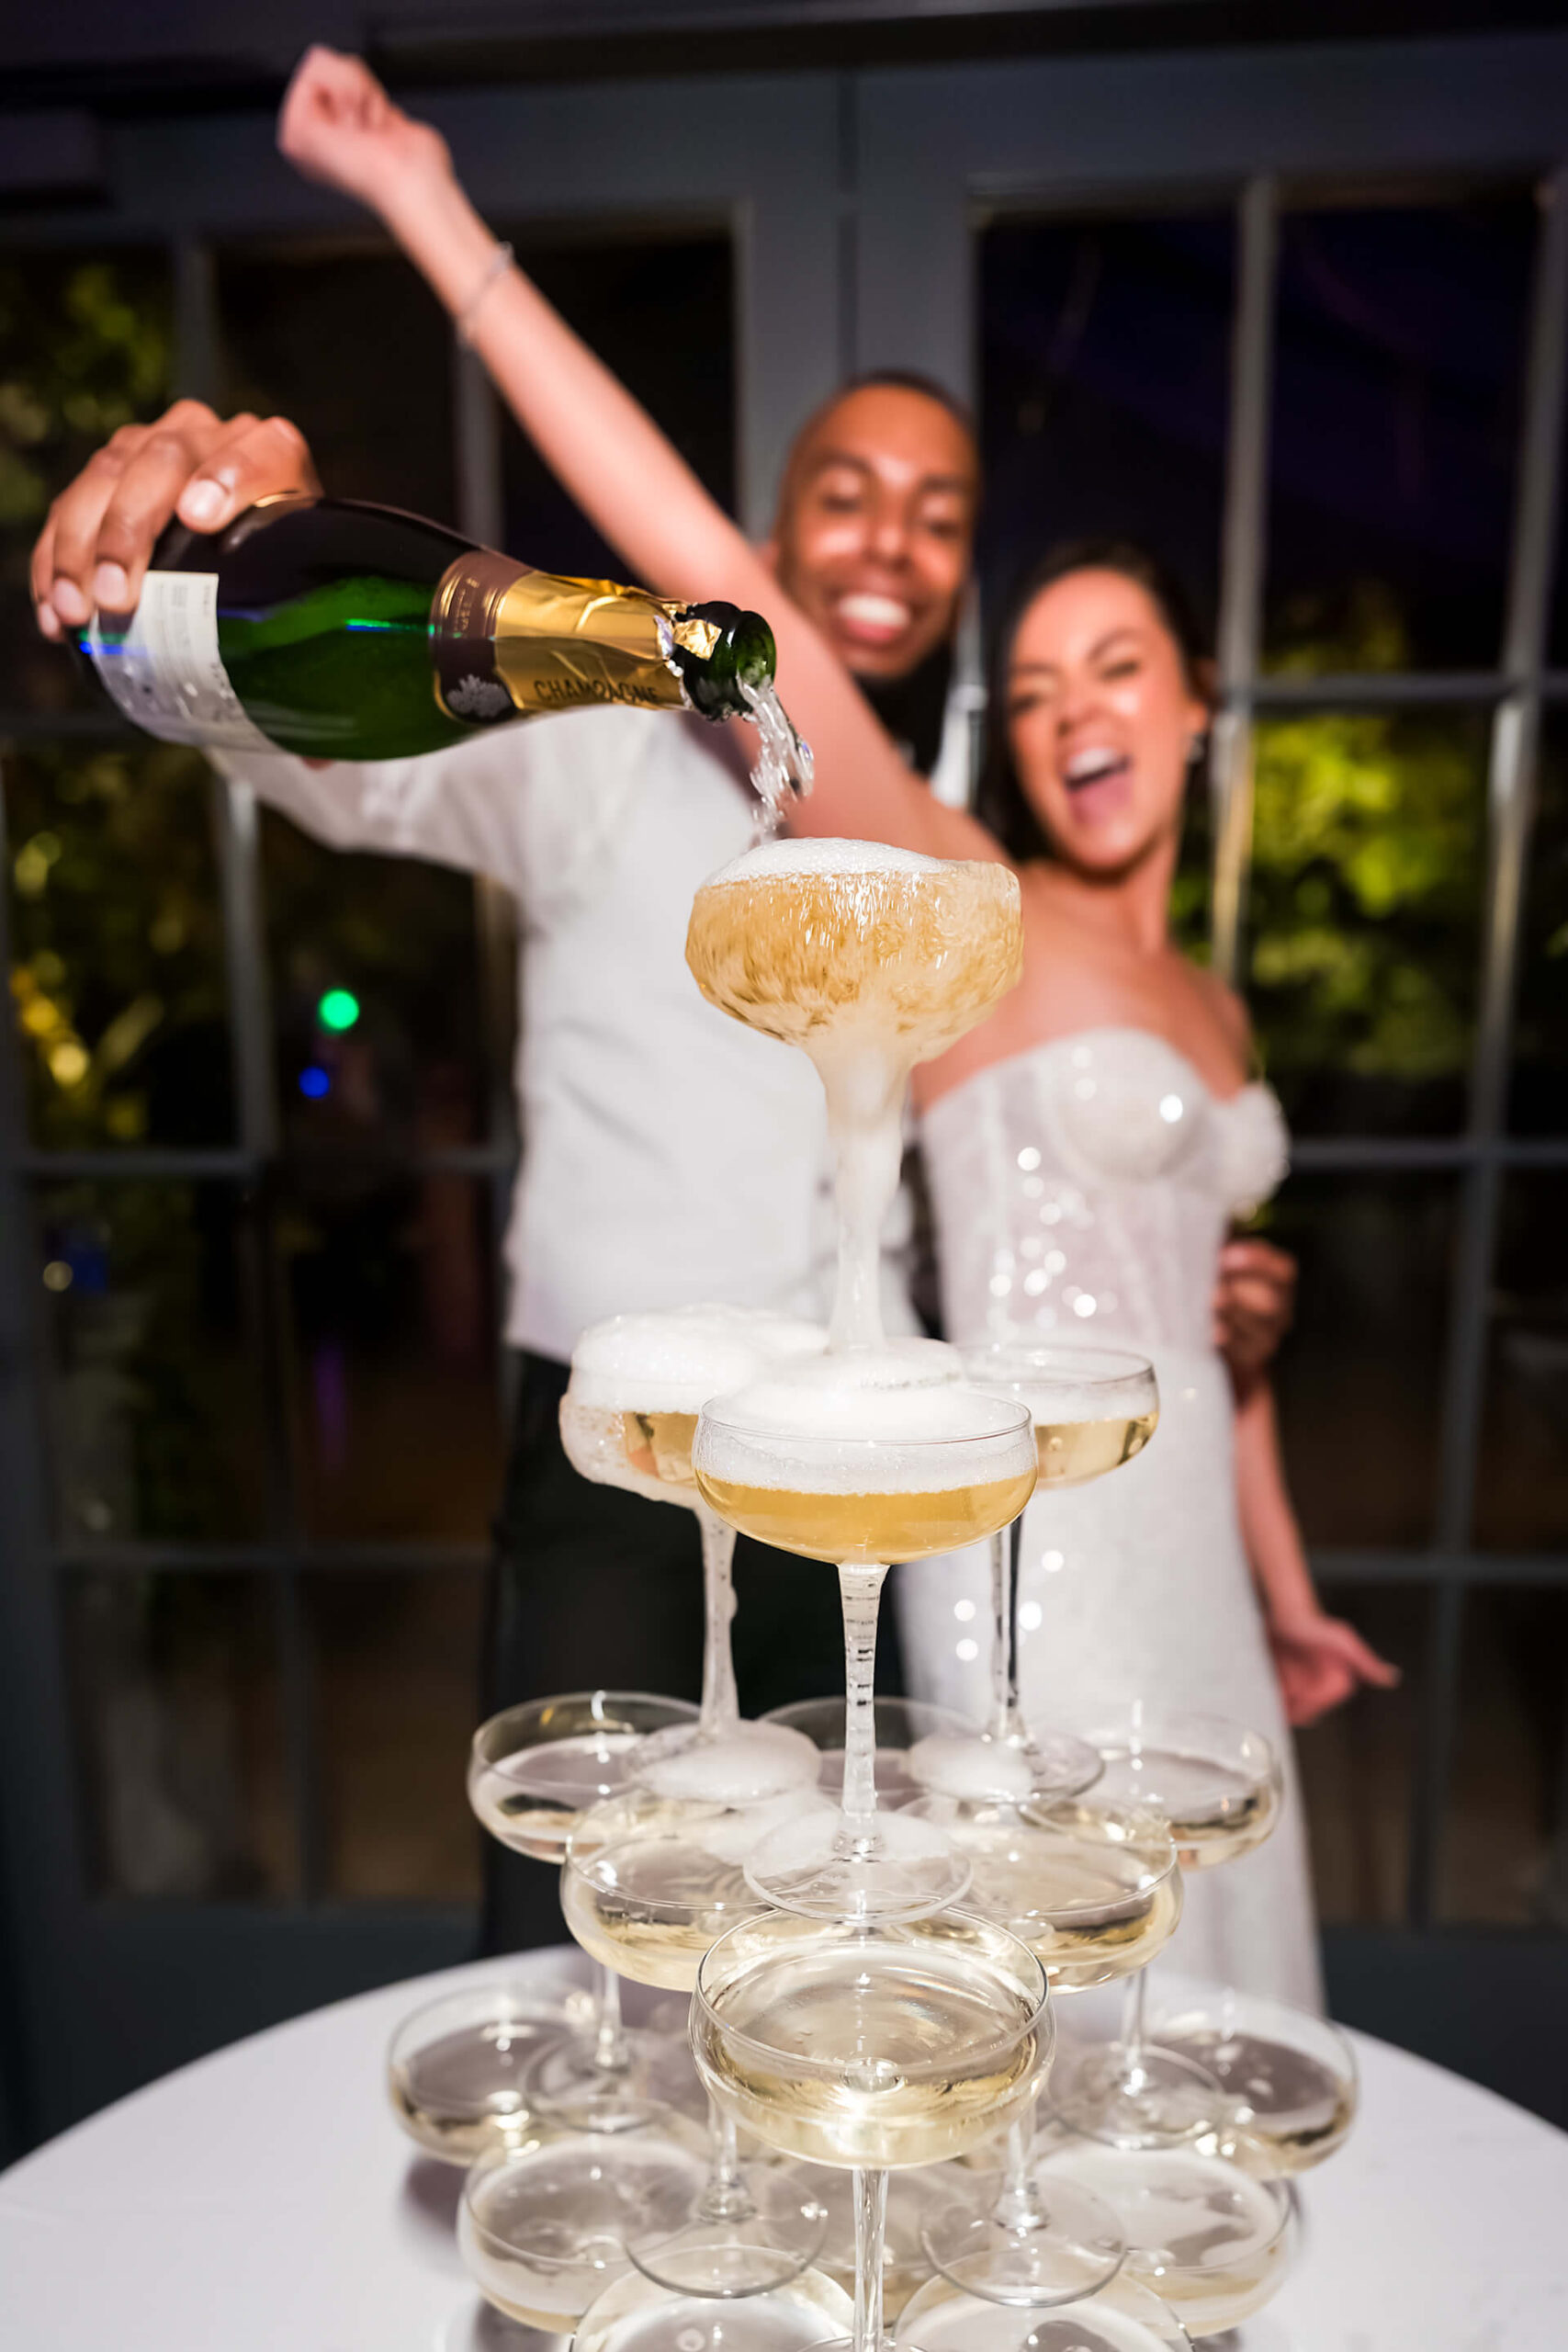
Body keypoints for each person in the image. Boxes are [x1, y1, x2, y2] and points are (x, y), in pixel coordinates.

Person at [29, 46, 1300, 1957]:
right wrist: (214, 562)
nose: (887, 538)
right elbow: (302, 744)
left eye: (936, 513)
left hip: (878, 1462)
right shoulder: (588, 732)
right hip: (627, 1452)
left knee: (839, 1962)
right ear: (770, 538)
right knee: (588, 1942)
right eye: (844, 496)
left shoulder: (944, 857)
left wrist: (1185, 1270)